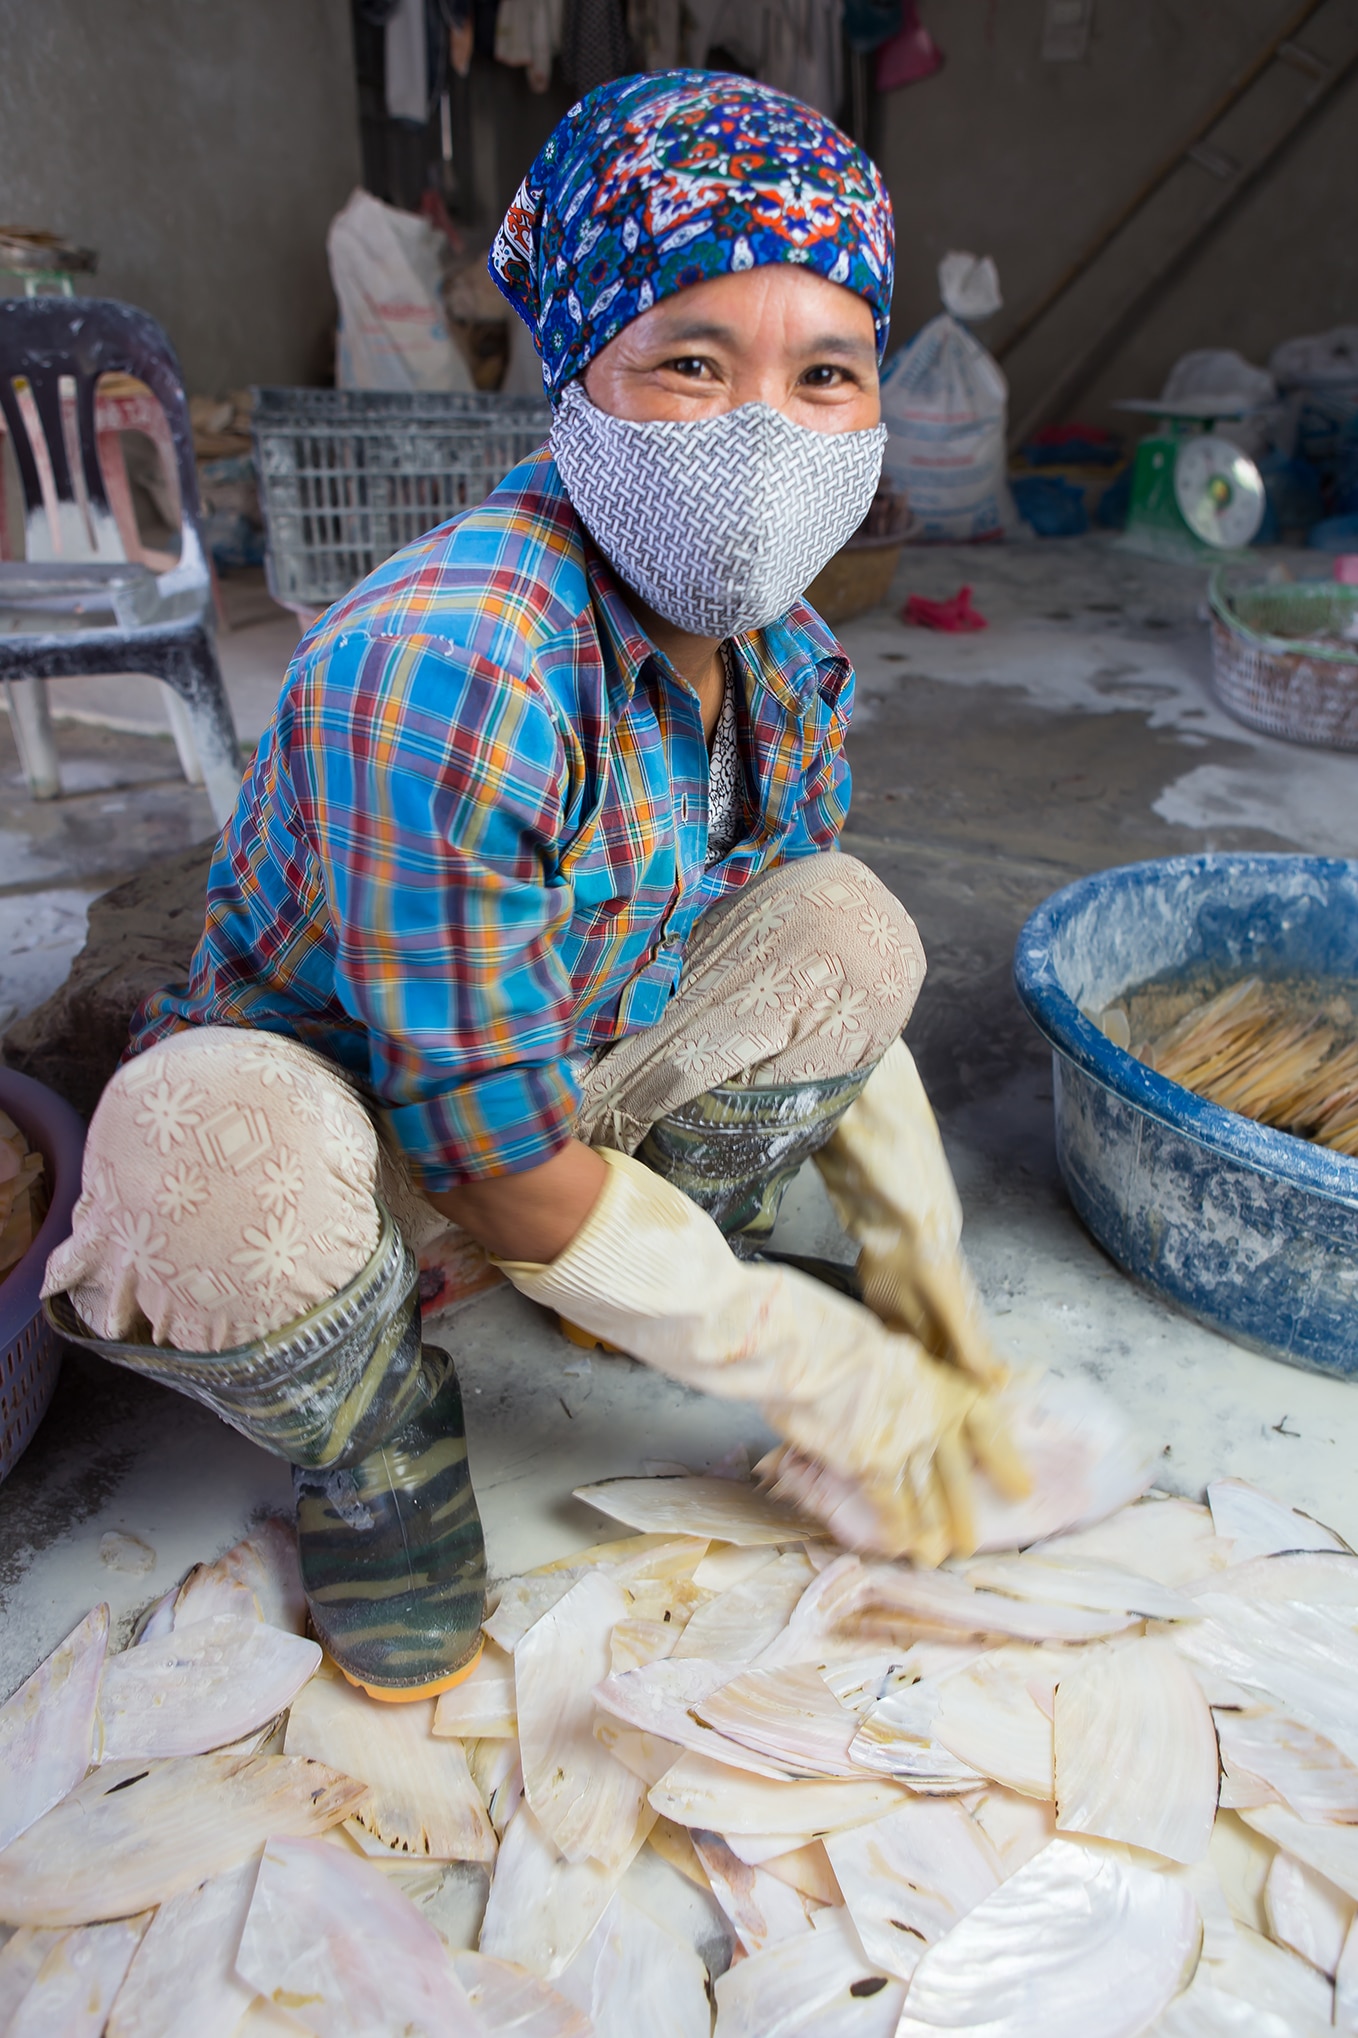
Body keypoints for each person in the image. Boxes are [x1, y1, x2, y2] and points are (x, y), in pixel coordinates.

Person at [43, 71, 1025, 1703]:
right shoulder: (453, 666)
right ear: (577, 378)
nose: (765, 435)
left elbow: (784, 913)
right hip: (365, 1134)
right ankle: (373, 1434)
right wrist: (811, 1359)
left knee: (848, 924)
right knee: (190, 1160)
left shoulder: (782, 658)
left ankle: (632, 1271)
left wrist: (922, 1259)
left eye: (827, 372)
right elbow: (484, 1152)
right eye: (692, 362)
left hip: (563, 1070)